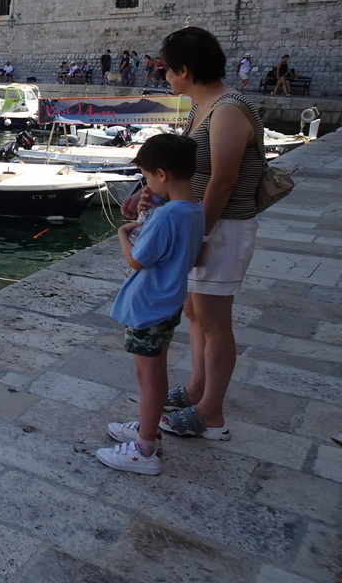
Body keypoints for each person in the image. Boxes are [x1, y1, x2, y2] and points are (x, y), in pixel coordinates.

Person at [121, 26, 264, 442]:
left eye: (168, 70)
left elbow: (222, 180)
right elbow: (185, 170)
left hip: (221, 226)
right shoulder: (201, 108)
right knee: (195, 313)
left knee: (216, 320)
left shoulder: (228, 110)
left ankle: (211, 413)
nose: (166, 78)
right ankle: (198, 388)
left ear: (185, 69)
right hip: (200, 223)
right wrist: (148, 191)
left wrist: (199, 236)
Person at [97, 134, 205, 475]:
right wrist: (149, 211)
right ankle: (148, 428)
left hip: (147, 304)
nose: (144, 183)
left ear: (161, 174)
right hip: (169, 302)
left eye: (145, 176)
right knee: (156, 371)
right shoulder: (193, 208)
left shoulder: (167, 216)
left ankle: (144, 450)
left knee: (148, 376)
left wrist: (123, 234)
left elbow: (138, 261)